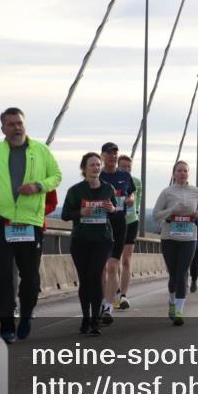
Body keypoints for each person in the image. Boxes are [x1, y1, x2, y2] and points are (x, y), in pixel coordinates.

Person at [0, 108, 61, 343]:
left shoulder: (41, 151)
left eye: (20, 123)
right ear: (3, 128)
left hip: (30, 222)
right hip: (2, 220)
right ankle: (5, 325)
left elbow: (57, 176)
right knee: (2, 275)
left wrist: (39, 186)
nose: (16, 127)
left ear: (25, 125)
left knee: (30, 277)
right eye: (11, 124)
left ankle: (26, 315)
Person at [61, 152, 117, 335]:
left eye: (98, 165)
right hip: (81, 241)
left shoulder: (108, 188)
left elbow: (114, 210)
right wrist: (81, 213)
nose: (96, 168)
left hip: (102, 240)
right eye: (92, 165)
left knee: (95, 275)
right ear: (84, 169)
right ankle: (86, 318)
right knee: (85, 280)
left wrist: (112, 208)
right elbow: (65, 215)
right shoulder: (75, 191)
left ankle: (95, 320)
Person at [152, 160, 198, 325]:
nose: (182, 173)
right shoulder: (167, 192)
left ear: (188, 173)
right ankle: (172, 301)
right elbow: (156, 215)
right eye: (179, 171)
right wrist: (171, 210)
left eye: (185, 171)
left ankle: (179, 311)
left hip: (189, 238)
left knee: (182, 273)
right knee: (174, 275)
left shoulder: (196, 192)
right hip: (169, 238)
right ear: (174, 174)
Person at [97, 142, 135, 324]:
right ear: (102, 156)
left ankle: (108, 305)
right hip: (100, 226)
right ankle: (104, 299)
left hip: (119, 225)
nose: (112, 156)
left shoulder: (124, 175)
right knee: (102, 268)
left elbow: (132, 193)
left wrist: (129, 199)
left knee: (113, 266)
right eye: (109, 153)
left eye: (115, 153)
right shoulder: (98, 175)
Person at [116, 155, 142, 309]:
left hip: (131, 222)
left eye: (128, 167)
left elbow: (136, 203)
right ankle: (116, 290)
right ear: (118, 166)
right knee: (114, 260)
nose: (126, 169)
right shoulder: (111, 181)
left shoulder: (137, 182)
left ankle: (124, 296)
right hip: (115, 223)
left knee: (126, 260)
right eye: (123, 166)